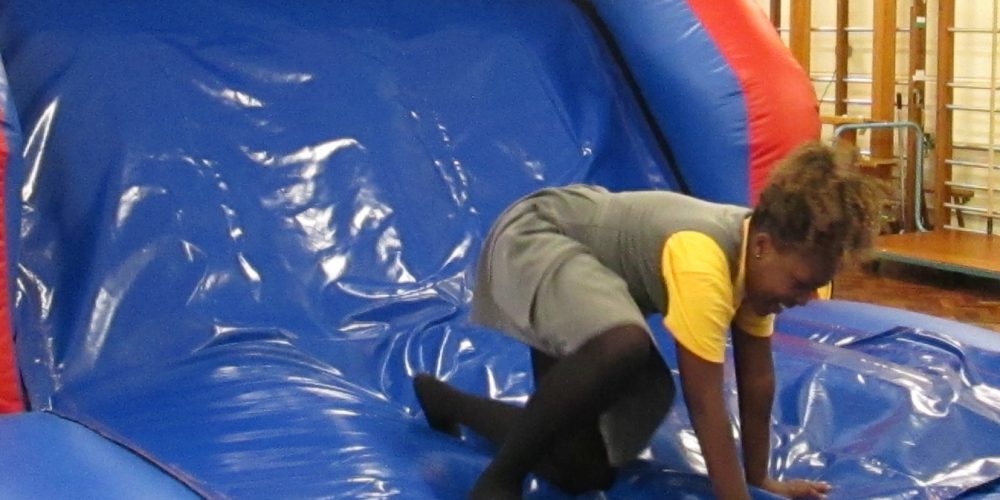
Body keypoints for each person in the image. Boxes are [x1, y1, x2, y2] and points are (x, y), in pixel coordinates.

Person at [413, 141, 883, 499]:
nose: (805, 299)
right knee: (626, 345)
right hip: (540, 237)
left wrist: (760, 480)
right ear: (763, 246)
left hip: (589, 295)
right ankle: (498, 482)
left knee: (581, 471)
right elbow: (705, 402)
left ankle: (444, 400)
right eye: (801, 284)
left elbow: (757, 380)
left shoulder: (761, 261)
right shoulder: (705, 258)